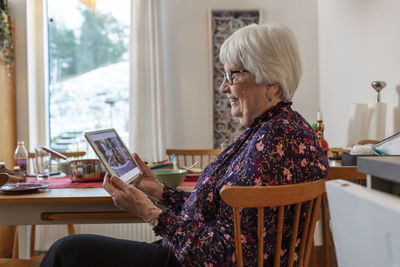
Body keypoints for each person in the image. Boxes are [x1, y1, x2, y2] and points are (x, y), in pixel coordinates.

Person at [40, 23, 329, 267]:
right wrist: (158, 191)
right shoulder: (287, 130)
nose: (224, 87)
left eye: (233, 75)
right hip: (195, 252)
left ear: (272, 82)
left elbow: (221, 256)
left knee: (66, 253)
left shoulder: (271, 143)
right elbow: (219, 213)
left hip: (193, 260)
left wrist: (150, 212)